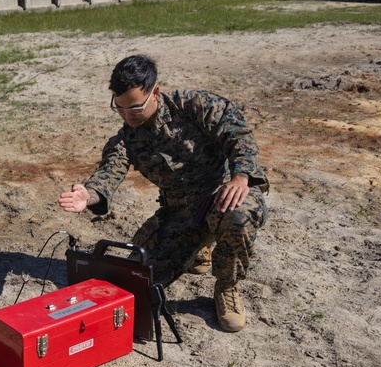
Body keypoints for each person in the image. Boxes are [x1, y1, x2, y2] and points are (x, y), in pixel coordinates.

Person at [57, 54, 268, 332]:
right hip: (181, 213)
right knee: (138, 279)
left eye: (135, 108)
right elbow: (111, 169)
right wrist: (90, 194)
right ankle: (200, 243)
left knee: (237, 213)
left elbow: (237, 133)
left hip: (220, 195)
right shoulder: (126, 138)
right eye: (119, 109)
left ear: (155, 93)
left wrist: (241, 177)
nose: (127, 116)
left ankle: (227, 286)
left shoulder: (193, 105)